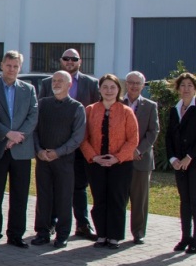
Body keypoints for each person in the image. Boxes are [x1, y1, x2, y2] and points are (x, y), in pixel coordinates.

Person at [79, 73, 139, 249]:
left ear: (118, 89)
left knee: (117, 199)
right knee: (100, 199)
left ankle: (114, 236)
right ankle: (101, 234)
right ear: (99, 89)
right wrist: (94, 156)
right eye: (105, 87)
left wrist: (117, 158)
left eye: (112, 87)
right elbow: (83, 138)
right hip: (96, 163)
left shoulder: (126, 111)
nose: (108, 90)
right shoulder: (90, 110)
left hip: (120, 164)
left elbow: (133, 140)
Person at [0, 51, 38, 248]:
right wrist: (7, 134)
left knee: (20, 194)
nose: (12, 69)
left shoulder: (29, 89)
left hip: (21, 150)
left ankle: (16, 234)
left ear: (20, 68)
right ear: (2, 65)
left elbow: (33, 115)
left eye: (15, 66)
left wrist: (17, 137)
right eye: (8, 65)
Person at [32, 71, 87, 248]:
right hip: (43, 159)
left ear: (69, 85)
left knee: (64, 198)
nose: (56, 84)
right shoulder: (41, 104)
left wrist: (58, 152)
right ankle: (42, 232)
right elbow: (33, 130)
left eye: (60, 81)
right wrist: (39, 151)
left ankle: (62, 234)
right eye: (54, 81)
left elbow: (77, 137)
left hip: (64, 161)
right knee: (43, 197)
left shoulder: (77, 108)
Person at [166, 72, 196, 254]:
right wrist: (173, 159)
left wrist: (189, 157)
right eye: (183, 86)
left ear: (195, 89)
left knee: (195, 199)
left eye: (189, 86)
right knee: (184, 200)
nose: (186, 89)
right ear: (178, 89)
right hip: (179, 163)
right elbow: (169, 136)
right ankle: (185, 237)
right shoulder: (174, 110)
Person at [60, 47, 100, 239]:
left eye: (73, 59)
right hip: (57, 145)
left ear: (80, 61)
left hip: (82, 144)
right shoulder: (52, 82)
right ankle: (53, 224)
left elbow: (96, 115)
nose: (70, 62)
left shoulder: (92, 84)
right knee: (56, 185)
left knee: (79, 186)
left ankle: (82, 224)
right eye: (66, 58)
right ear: (61, 61)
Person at [124, 71, 160, 244]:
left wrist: (138, 150)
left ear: (143, 86)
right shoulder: (117, 103)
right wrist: (124, 151)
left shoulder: (150, 106)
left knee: (140, 200)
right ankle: (114, 232)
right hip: (120, 159)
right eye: (131, 82)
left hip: (141, 159)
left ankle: (138, 233)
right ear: (126, 84)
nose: (134, 86)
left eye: (138, 83)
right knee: (118, 198)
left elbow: (154, 132)